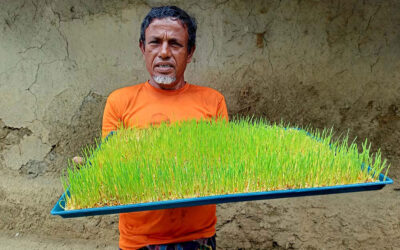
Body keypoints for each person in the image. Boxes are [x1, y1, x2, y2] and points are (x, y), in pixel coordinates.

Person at [75, 6, 228, 250]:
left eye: (175, 44)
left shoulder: (213, 101)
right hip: (139, 240)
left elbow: (221, 166)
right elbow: (114, 168)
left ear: (190, 53)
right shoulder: (119, 101)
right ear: (142, 48)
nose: (164, 53)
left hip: (197, 237)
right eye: (155, 42)